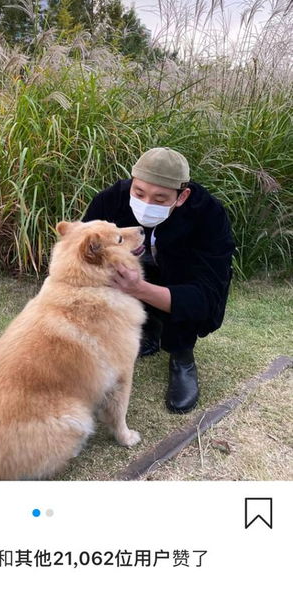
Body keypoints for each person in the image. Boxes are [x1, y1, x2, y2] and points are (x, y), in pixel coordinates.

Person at [82, 147, 235, 413]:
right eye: (139, 193)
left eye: (161, 198)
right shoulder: (109, 200)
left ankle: (181, 355)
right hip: (127, 275)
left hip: (178, 277)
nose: (147, 203)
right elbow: (82, 252)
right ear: (132, 182)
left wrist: (139, 288)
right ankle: (148, 331)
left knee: (188, 292)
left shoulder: (209, 215)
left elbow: (207, 296)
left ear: (182, 195)